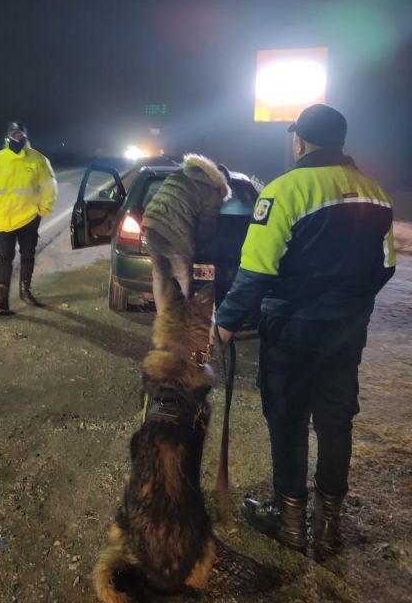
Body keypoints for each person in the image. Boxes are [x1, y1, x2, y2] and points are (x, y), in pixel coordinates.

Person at [216, 103, 395, 553]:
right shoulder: (375, 192)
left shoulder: (284, 191)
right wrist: (349, 302)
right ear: (341, 141)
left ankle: (290, 520)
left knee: (288, 418)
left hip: (293, 327)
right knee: (336, 420)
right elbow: (388, 265)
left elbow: (256, 269)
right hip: (346, 329)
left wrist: (225, 322)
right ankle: (328, 524)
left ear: (300, 141)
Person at [0, 121, 57, 315]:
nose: (18, 138)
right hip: (3, 220)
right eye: (14, 134)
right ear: (8, 136)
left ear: (26, 137)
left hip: (29, 218)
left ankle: (25, 291)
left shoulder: (37, 159)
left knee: (27, 256)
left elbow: (49, 186)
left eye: (21, 135)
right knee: (5, 258)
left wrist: (43, 208)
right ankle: (2, 299)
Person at [142, 154, 231, 313]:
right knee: (185, 277)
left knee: (159, 274)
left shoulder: (182, 173)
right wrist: (202, 246)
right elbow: (207, 226)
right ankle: (184, 321)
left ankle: (164, 318)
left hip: (151, 223)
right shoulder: (214, 191)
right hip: (175, 230)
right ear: (222, 184)